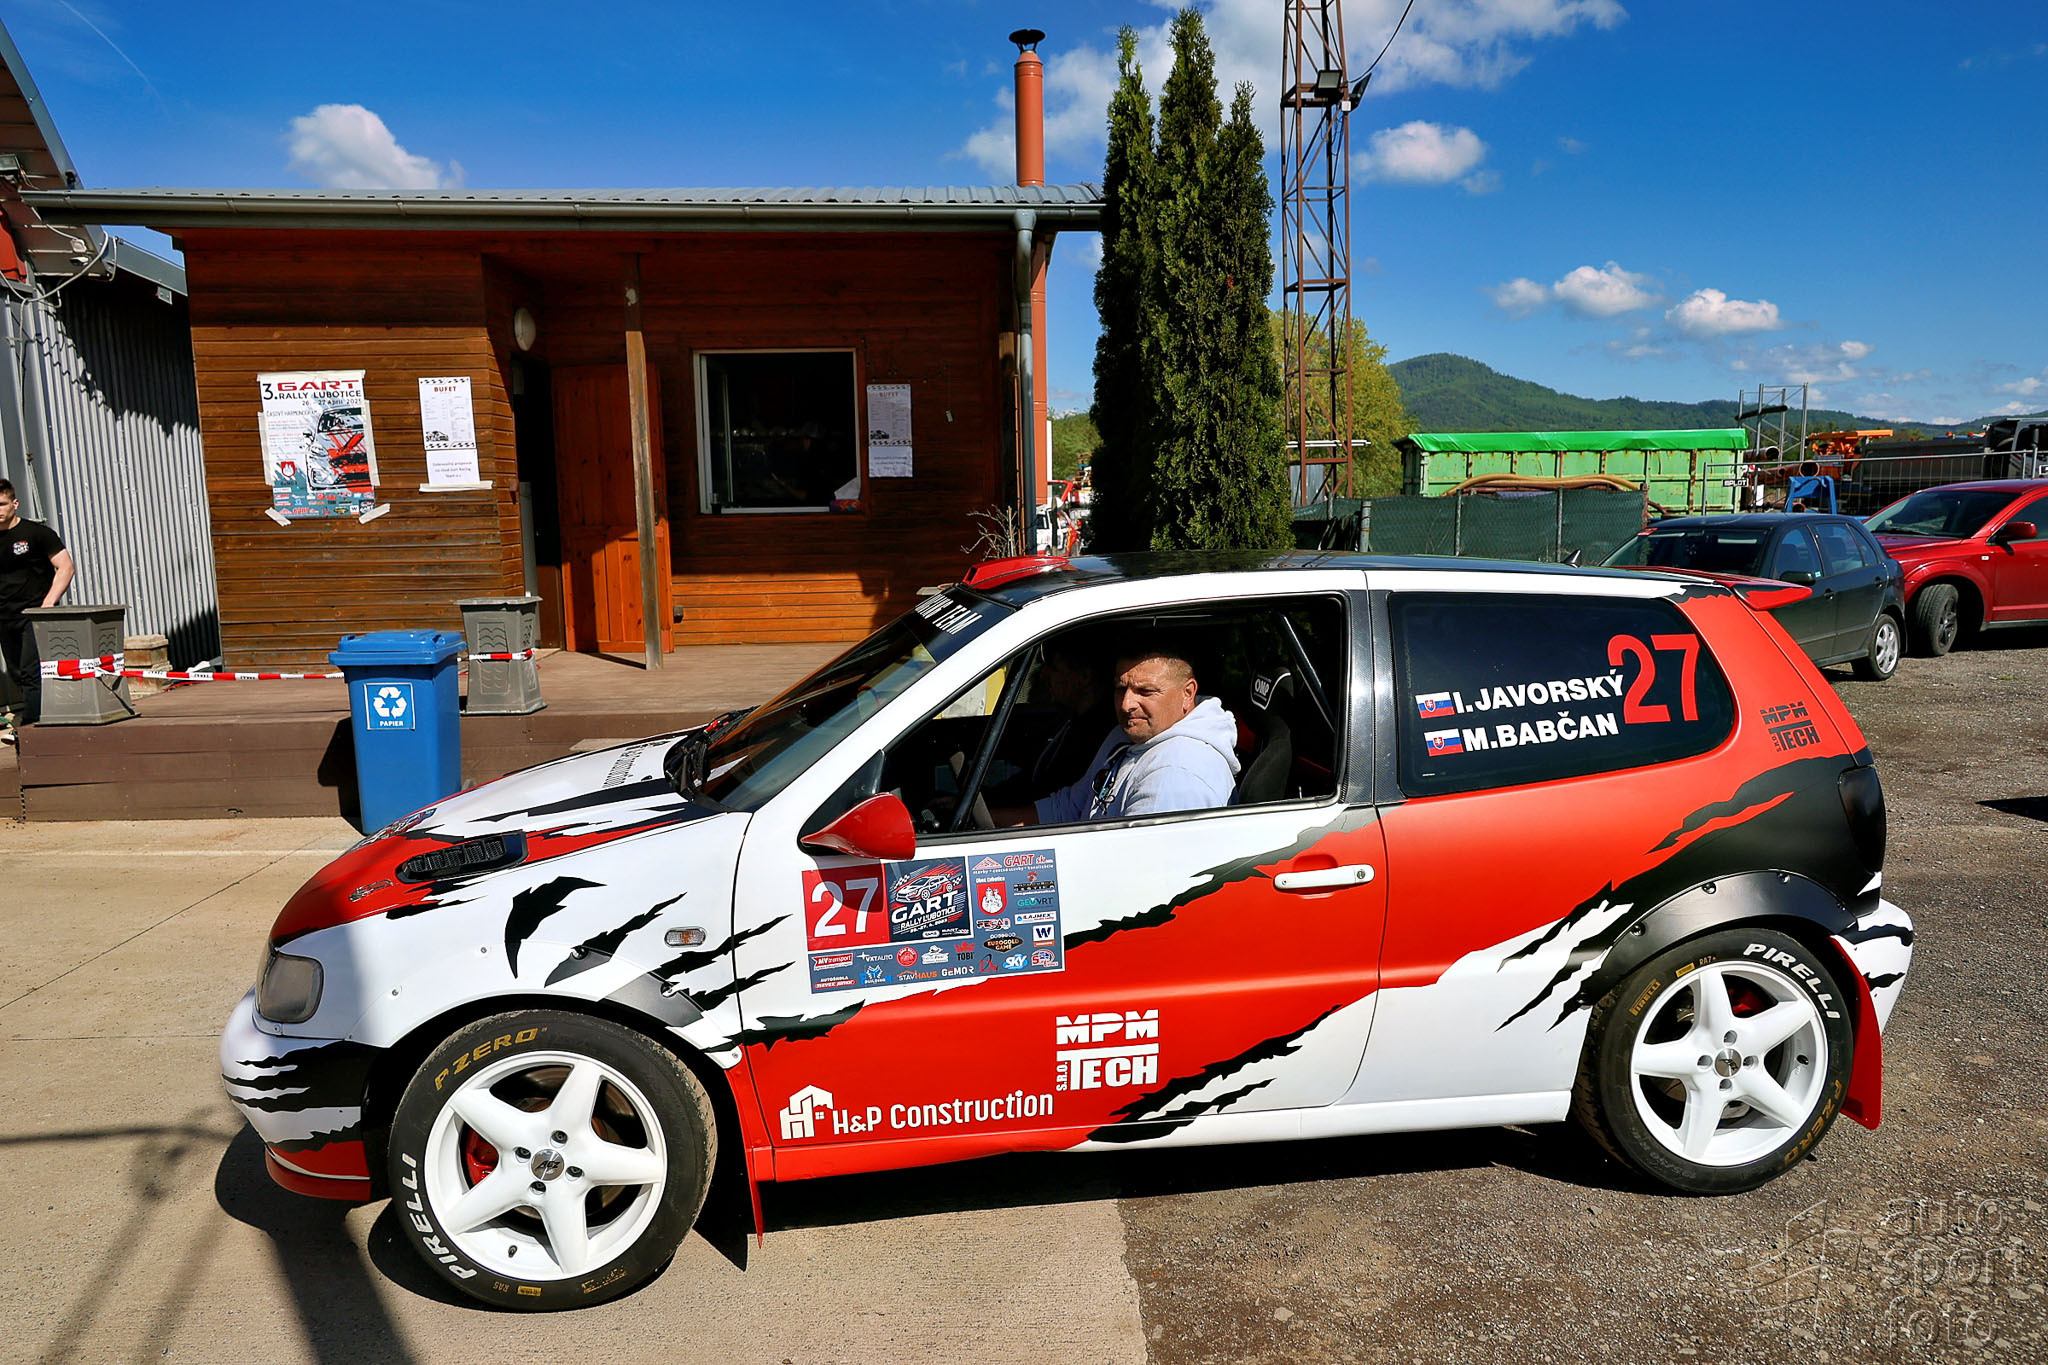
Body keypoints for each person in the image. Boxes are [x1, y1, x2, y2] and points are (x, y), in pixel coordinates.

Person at [994, 637, 1239, 826]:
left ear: (1187, 693)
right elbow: (1069, 808)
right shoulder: (1126, 737)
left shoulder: (1176, 776)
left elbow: (1138, 867)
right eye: (1121, 689)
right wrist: (988, 821)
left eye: (1145, 692)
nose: (1126, 704)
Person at [0, 478, 75, 737]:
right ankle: (42, 716)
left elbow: (65, 567)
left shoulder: (37, 534)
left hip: (33, 614)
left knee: (31, 671)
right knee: (17, 672)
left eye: (2, 504)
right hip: (4, 616)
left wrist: (48, 603)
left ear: (15, 504)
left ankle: (30, 727)